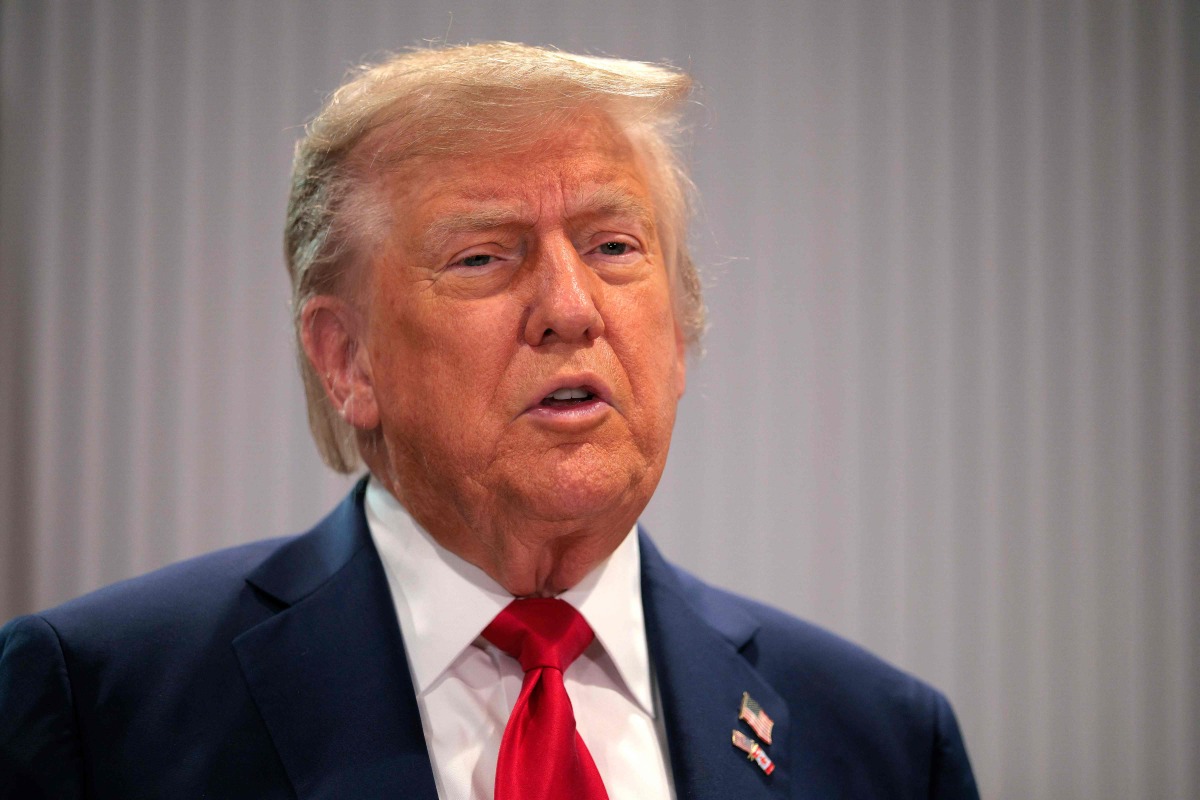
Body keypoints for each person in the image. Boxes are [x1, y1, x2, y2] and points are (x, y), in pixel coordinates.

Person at [0, 43, 979, 799]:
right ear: (348, 358)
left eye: (613, 245)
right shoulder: (99, 703)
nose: (570, 304)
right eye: (482, 257)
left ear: (680, 337)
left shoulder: (883, 741)